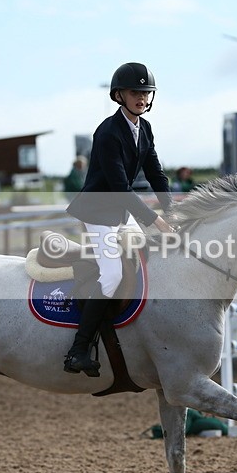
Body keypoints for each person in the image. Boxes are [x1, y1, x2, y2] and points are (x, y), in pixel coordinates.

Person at [64, 62, 174, 376]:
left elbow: (156, 173)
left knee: (150, 261)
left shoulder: (145, 128)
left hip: (121, 213)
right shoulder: (108, 132)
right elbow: (119, 187)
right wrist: (155, 220)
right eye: (134, 92)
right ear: (119, 95)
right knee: (111, 275)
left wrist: (173, 210)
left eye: (145, 92)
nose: (141, 97)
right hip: (98, 213)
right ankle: (78, 349)